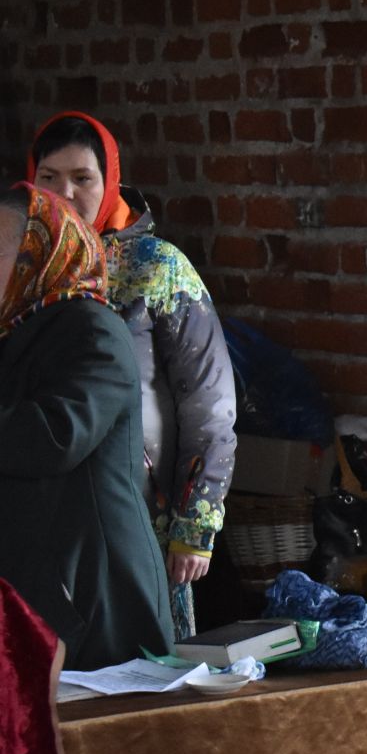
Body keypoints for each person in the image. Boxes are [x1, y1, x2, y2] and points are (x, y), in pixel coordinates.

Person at [29, 111, 238, 639]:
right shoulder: (22, 271)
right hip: (48, 520)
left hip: (146, 520)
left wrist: (196, 524)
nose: (65, 194)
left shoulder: (156, 267)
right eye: (48, 178)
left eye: (83, 178)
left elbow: (208, 401)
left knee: (151, 676)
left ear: (110, 181)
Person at [0, 185, 173, 670]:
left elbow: (57, 435)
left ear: (42, 254)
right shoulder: (15, 331)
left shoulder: (93, 329)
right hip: (38, 582)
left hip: (95, 590)